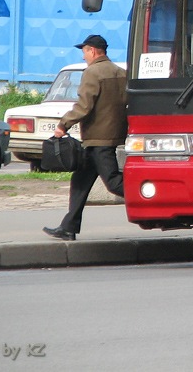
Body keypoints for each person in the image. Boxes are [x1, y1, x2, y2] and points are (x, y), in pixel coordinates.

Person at [43, 34, 128, 241]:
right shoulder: (121, 73)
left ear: (92, 51)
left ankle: (150, 193)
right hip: (110, 136)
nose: (84, 57)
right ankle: (68, 227)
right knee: (80, 180)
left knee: (114, 182)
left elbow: (84, 106)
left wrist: (63, 125)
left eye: (84, 52)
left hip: (98, 139)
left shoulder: (92, 73)